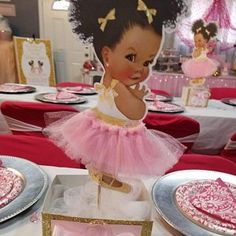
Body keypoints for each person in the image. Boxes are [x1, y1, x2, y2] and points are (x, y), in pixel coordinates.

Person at [46, 0, 188, 193]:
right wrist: (136, 100)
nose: (140, 68)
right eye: (131, 57)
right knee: (109, 157)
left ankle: (103, 176)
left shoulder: (108, 77)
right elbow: (136, 113)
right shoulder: (118, 87)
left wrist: (134, 95)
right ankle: (105, 177)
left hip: (105, 125)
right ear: (106, 56)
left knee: (105, 157)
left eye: (147, 61)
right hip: (113, 131)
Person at [181, 19, 218, 85]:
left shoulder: (204, 49)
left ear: (206, 40)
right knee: (196, 78)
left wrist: (206, 47)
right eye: (195, 41)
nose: (197, 43)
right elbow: (195, 56)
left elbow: (206, 50)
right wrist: (198, 50)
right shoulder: (197, 49)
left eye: (199, 41)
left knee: (201, 78)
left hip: (204, 64)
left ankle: (199, 83)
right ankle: (196, 83)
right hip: (195, 64)